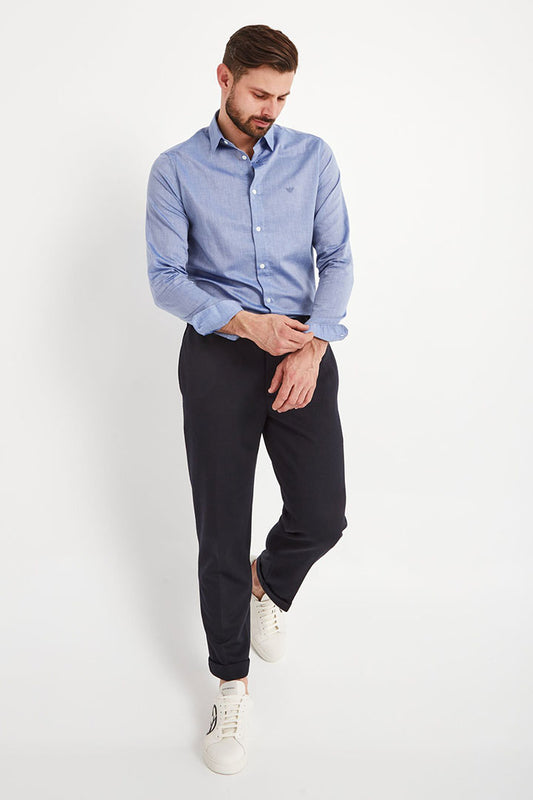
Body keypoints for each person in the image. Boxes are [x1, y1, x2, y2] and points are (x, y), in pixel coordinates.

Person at [145, 23, 354, 775]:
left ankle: (270, 582)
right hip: (217, 359)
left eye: (283, 97)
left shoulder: (312, 157)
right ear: (224, 78)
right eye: (260, 93)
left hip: (301, 351)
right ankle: (230, 685)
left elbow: (337, 259)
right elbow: (166, 277)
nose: (271, 109)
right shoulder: (175, 170)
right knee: (221, 528)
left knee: (323, 514)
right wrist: (245, 324)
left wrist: (311, 345)